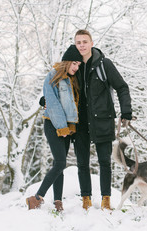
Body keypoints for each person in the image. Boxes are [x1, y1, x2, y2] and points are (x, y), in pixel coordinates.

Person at [73, 29, 132, 211]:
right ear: (75, 45)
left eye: (85, 41)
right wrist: (45, 100)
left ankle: (106, 200)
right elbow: (57, 85)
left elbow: (122, 87)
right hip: (79, 122)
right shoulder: (72, 65)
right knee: (82, 163)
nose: (82, 45)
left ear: (91, 43)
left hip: (102, 120)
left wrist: (126, 111)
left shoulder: (103, 64)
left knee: (104, 162)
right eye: (78, 42)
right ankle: (86, 200)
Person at [26, 45, 82, 212]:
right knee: (60, 163)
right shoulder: (53, 76)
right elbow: (53, 103)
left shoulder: (73, 79)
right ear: (67, 62)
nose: (76, 67)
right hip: (54, 124)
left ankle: (58, 202)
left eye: (78, 65)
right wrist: (62, 127)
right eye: (74, 64)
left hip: (68, 127)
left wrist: (69, 127)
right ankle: (36, 198)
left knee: (60, 165)